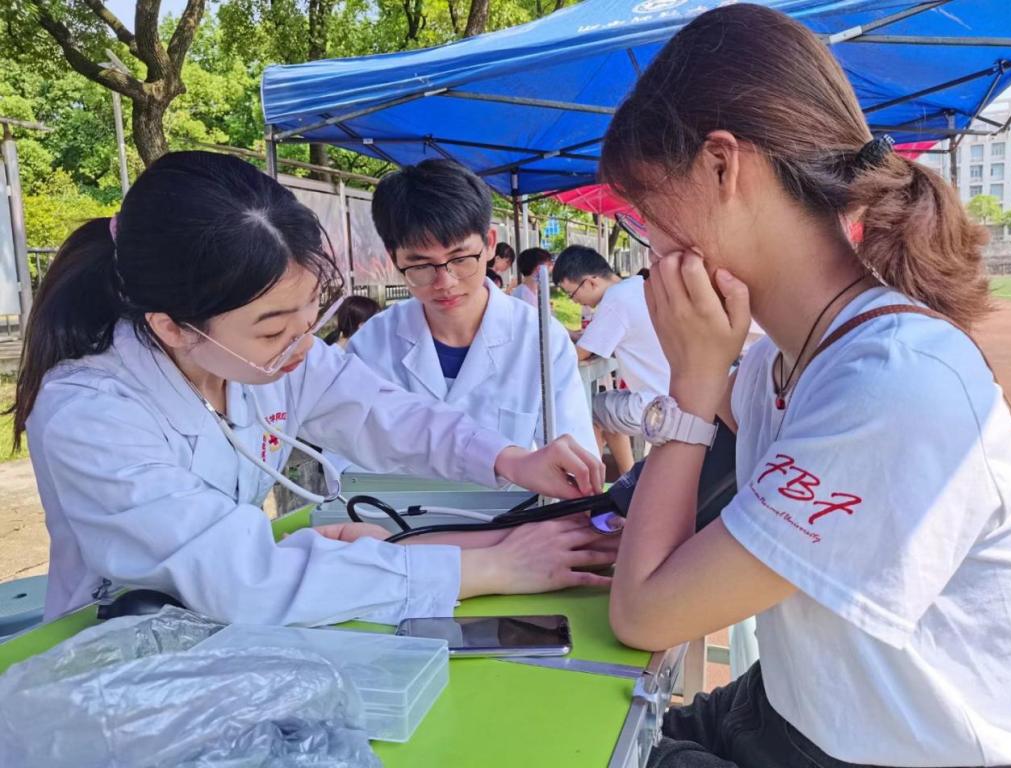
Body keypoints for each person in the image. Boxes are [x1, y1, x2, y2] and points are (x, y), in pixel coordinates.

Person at [601, 6, 1011, 768]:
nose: (652, 248)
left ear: (722, 166)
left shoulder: (896, 386)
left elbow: (645, 612)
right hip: (792, 706)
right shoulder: (785, 361)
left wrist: (693, 384)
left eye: (649, 212)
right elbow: (664, 502)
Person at [12, 151, 614, 627]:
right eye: (274, 329)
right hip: (122, 649)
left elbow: (385, 414)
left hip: (231, 637)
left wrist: (509, 459)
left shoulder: (274, 362)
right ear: (173, 327)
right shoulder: (89, 413)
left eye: (311, 316)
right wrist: (486, 568)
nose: (303, 346)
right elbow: (238, 576)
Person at [346, 159, 598, 459]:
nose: (445, 282)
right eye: (421, 265)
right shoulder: (372, 345)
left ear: (489, 244)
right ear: (394, 258)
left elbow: (576, 458)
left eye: (460, 258)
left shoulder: (542, 340)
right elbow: (345, 459)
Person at [553, 245, 670, 473]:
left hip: (655, 405)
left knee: (591, 409)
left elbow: (578, 355)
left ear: (590, 282)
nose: (574, 301)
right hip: (673, 395)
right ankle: (628, 477)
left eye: (572, 294)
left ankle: (592, 483)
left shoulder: (615, 301)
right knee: (606, 405)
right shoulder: (635, 286)